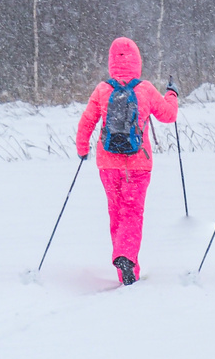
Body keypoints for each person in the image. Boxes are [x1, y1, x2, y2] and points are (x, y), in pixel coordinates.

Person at [76, 37, 178, 285]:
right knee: (133, 213)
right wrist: (172, 94)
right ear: (137, 61)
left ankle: (124, 271)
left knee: (116, 213)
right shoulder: (144, 89)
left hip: (108, 163)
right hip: (138, 164)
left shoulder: (102, 90)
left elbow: (87, 122)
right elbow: (169, 115)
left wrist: (82, 149)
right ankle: (127, 257)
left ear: (111, 62)